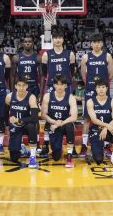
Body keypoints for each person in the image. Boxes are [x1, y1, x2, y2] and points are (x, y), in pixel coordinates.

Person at [40, 29, 76, 158]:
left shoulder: (70, 54)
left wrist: (65, 84)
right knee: (49, 115)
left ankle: (72, 147)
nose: (58, 40)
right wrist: (52, 83)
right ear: (53, 40)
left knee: (69, 113)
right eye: (55, 37)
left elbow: (72, 71)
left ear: (63, 39)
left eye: (60, 37)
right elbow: (45, 73)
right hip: (51, 86)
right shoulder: (46, 55)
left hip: (66, 86)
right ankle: (45, 144)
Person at [80, 33, 113, 158]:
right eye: (94, 42)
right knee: (87, 119)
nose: (97, 44)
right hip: (90, 89)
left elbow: (110, 74)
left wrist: (102, 87)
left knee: (106, 117)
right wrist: (91, 85)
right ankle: (84, 145)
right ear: (91, 44)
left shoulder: (108, 56)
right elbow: (84, 75)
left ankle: (106, 145)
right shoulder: (85, 57)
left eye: (99, 42)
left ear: (102, 44)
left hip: (103, 90)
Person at [41, 75, 78, 168]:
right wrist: (54, 122)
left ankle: (69, 155)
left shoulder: (70, 98)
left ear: (65, 86)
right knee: (56, 157)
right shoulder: (47, 96)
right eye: (57, 84)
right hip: (53, 124)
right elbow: (43, 115)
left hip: (64, 124)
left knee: (70, 126)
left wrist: (59, 123)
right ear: (54, 85)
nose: (59, 87)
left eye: (62, 85)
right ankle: (57, 148)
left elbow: (74, 117)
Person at [6, 77, 39, 168]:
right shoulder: (9, 97)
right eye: (19, 85)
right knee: (14, 158)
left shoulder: (31, 97)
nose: (21, 88)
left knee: (32, 127)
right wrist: (8, 122)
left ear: (27, 86)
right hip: (15, 126)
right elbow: (5, 113)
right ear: (15, 86)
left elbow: (34, 117)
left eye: (23, 85)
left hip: (27, 124)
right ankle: (23, 149)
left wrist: (19, 120)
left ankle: (32, 156)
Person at [86, 79, 113, 166]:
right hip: (95, 130)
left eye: (103, 87)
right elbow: (94, 120)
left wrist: (105, 128)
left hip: (107, 130)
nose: (101, 89)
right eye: (99, 87)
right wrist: (106, 126)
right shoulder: (90, 102)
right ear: (95, 89)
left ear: (107, 88)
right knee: (98, 160)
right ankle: (96, 148)